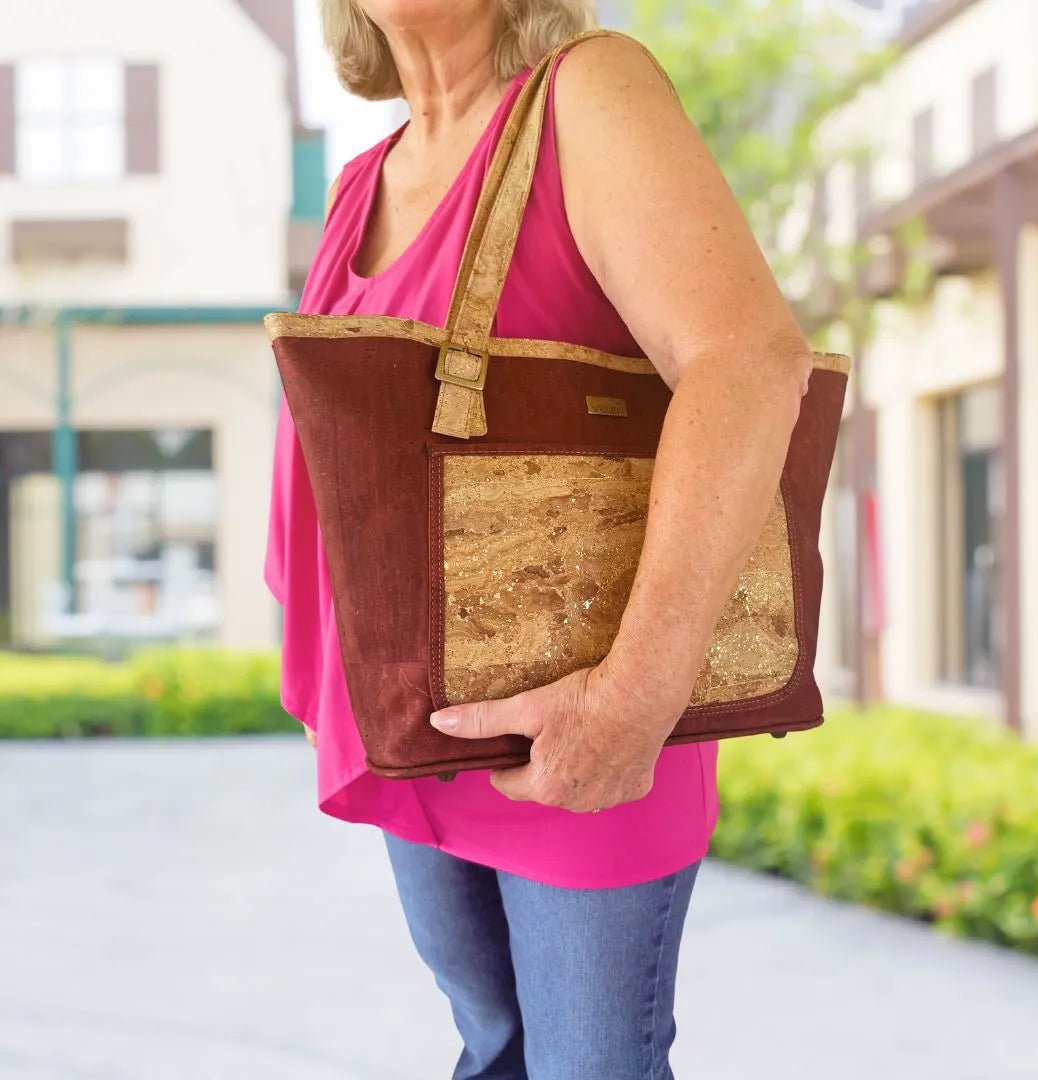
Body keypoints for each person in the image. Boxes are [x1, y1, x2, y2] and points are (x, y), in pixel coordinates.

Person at [264, 1, 814, 1076]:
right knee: (495, 1047)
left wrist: (632, 704)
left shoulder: (589, 92)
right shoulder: (357, 186)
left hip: (582, 716)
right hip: (411, 720)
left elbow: (751, 363)